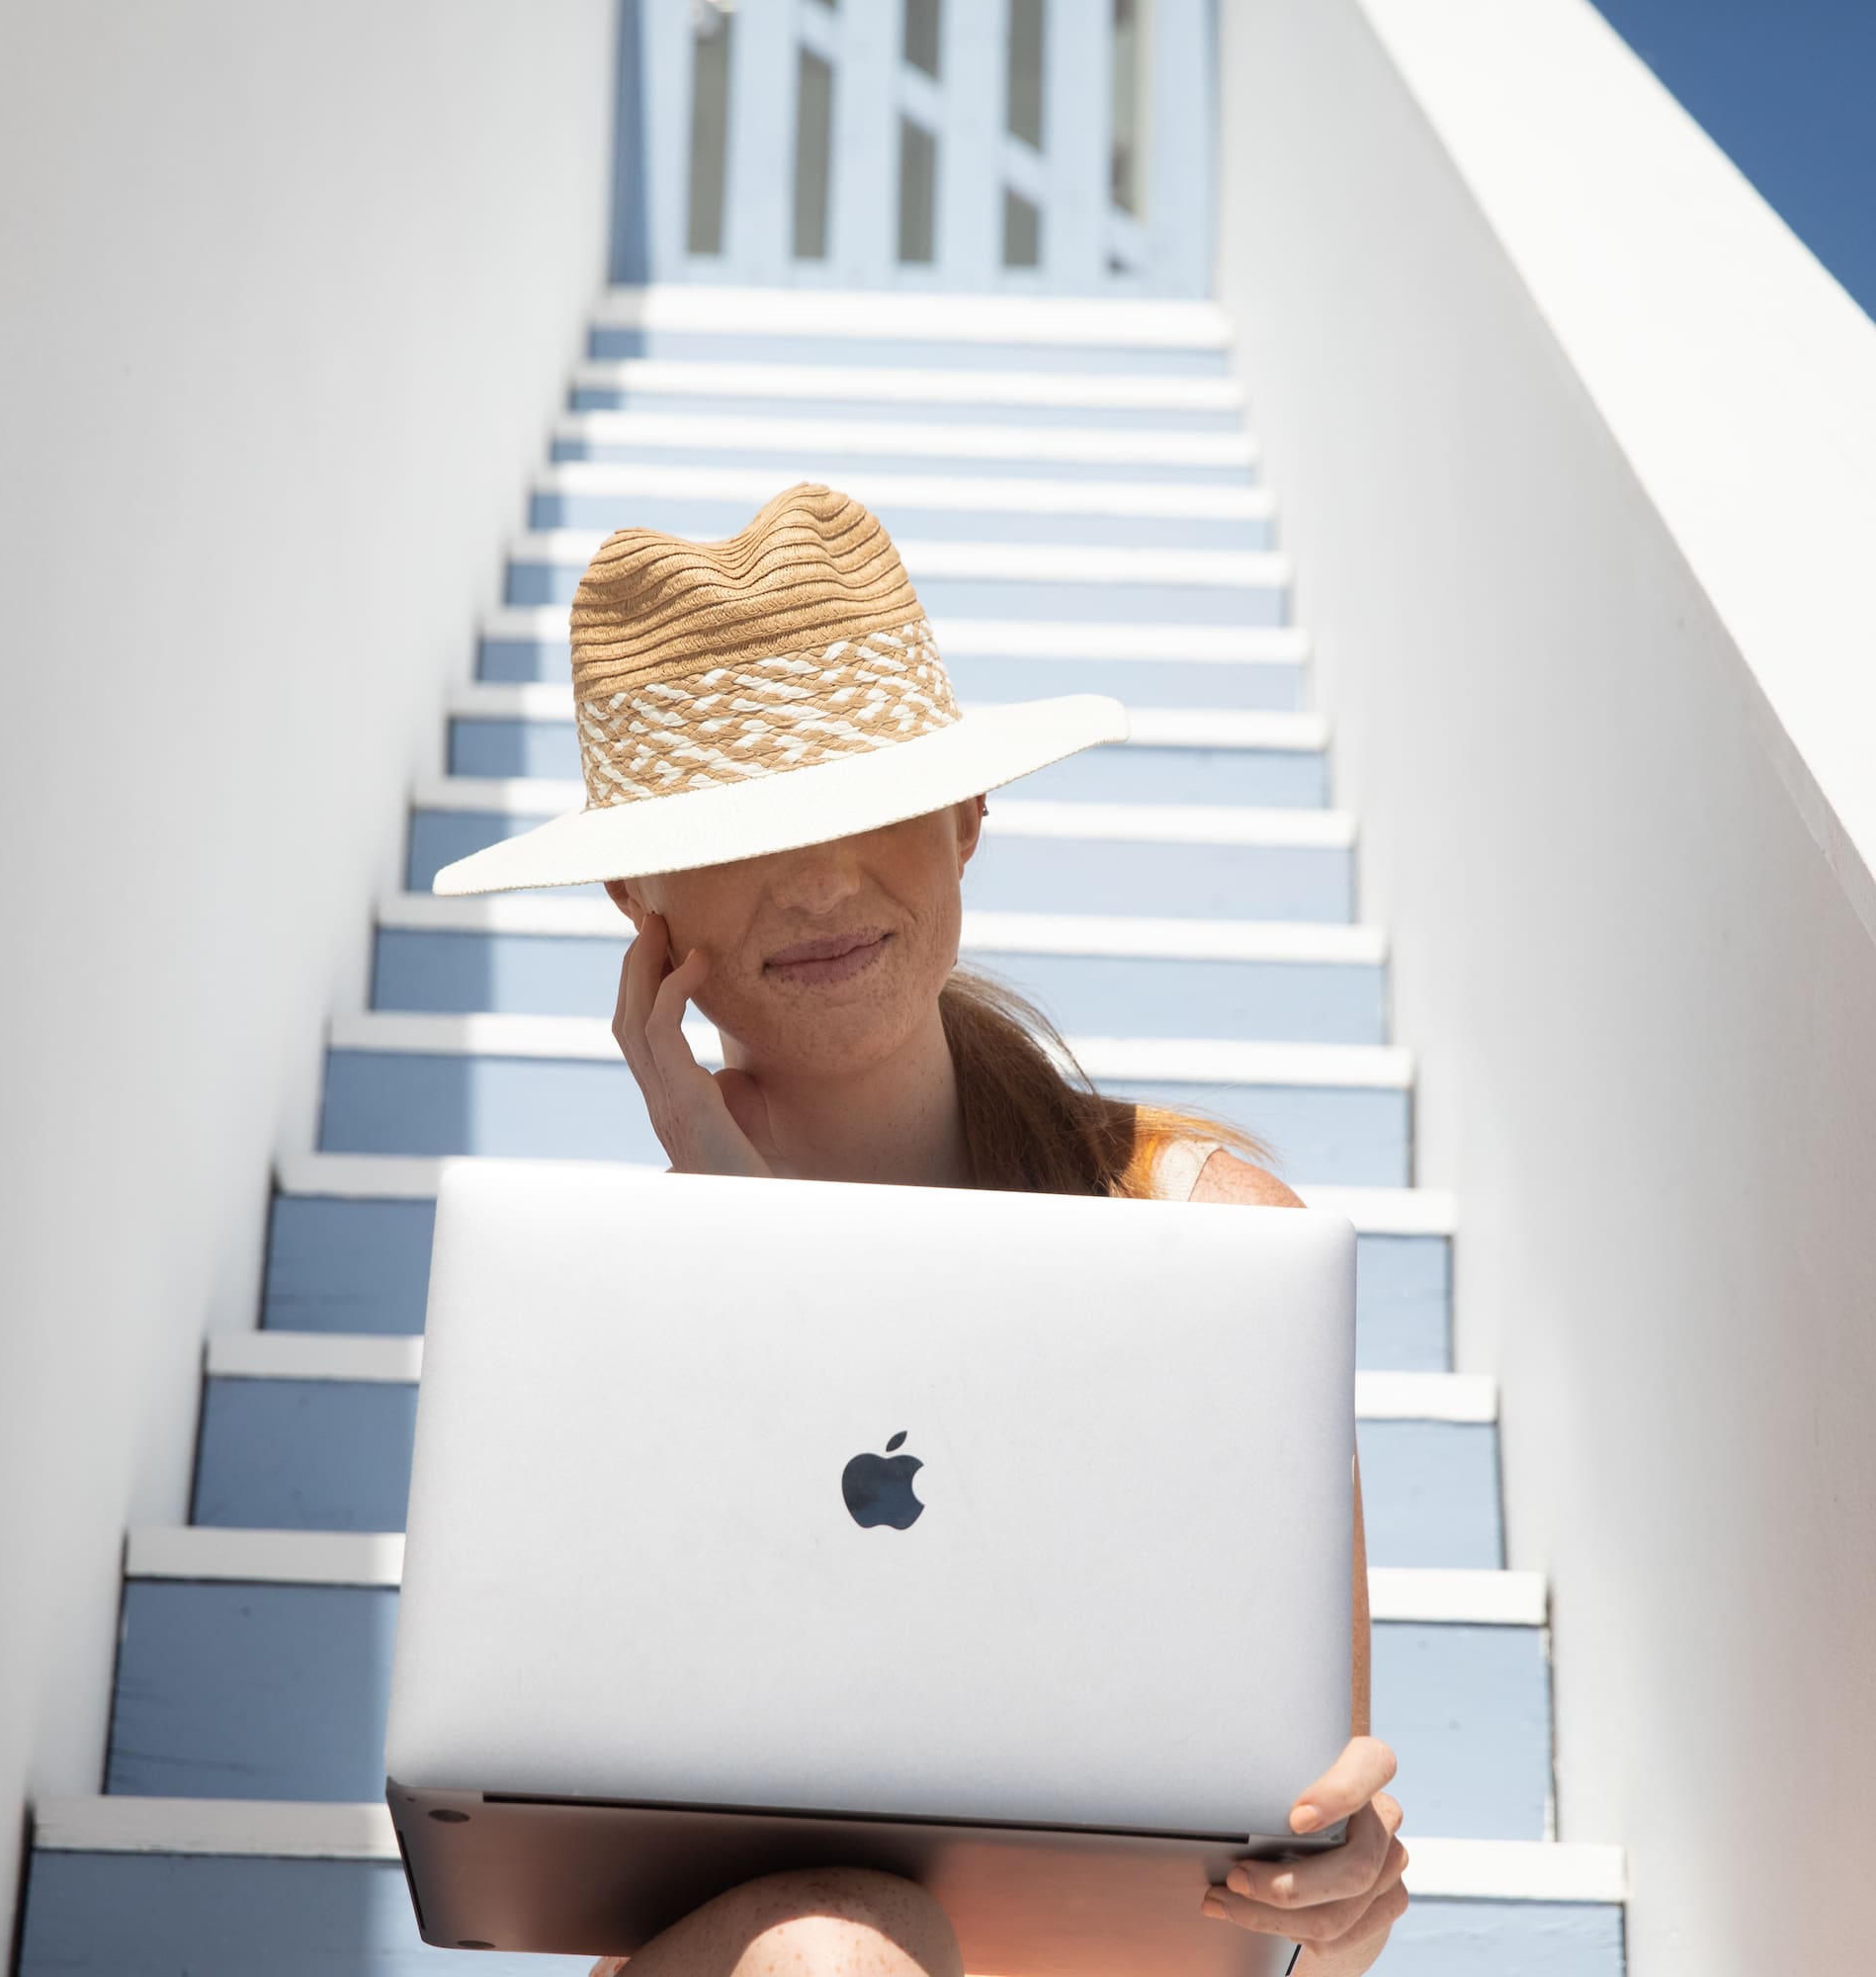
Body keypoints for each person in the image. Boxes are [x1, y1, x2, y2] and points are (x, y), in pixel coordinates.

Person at [432, 483, 1409, 1977]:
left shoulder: (1205, 1240)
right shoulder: (601, 1309)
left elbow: (1294, 1859)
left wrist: (1336, 1898)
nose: (819, 880)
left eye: (866, 802)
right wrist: (736, 1242)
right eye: (741, 830)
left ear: (965, 819)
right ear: (641, 899)